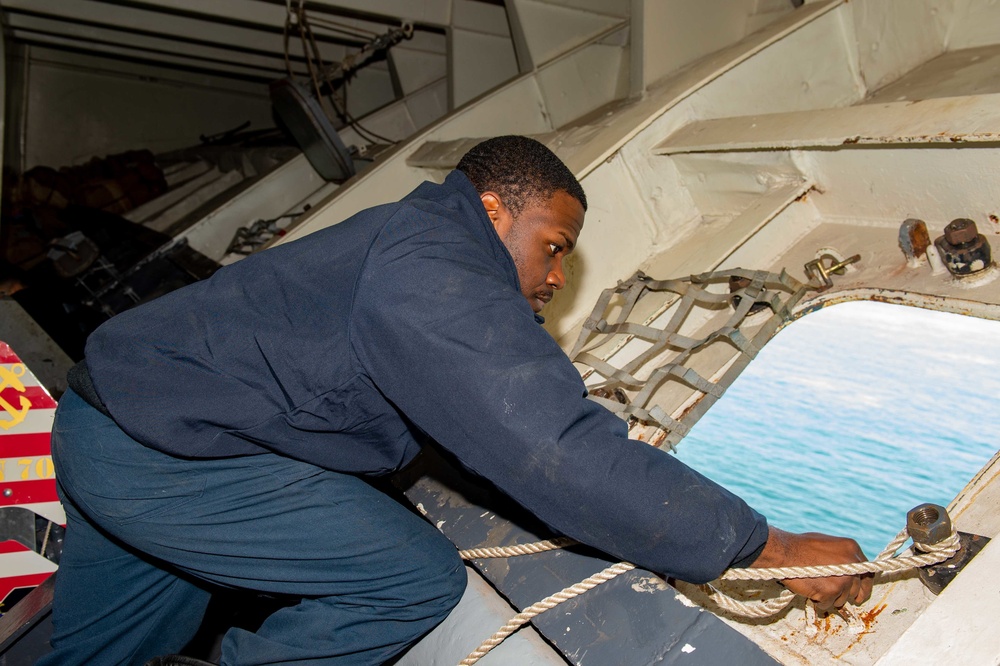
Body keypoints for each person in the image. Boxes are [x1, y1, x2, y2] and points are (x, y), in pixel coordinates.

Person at [42, 136, 872, 666]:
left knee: (94, 654)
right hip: (166, 458)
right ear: (490, 207)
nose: (554, 279)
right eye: (553, 248)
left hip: (105, 425)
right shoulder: (434, 265)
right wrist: (770, 546)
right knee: (409, 581)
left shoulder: (404, 241)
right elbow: (549, 448)